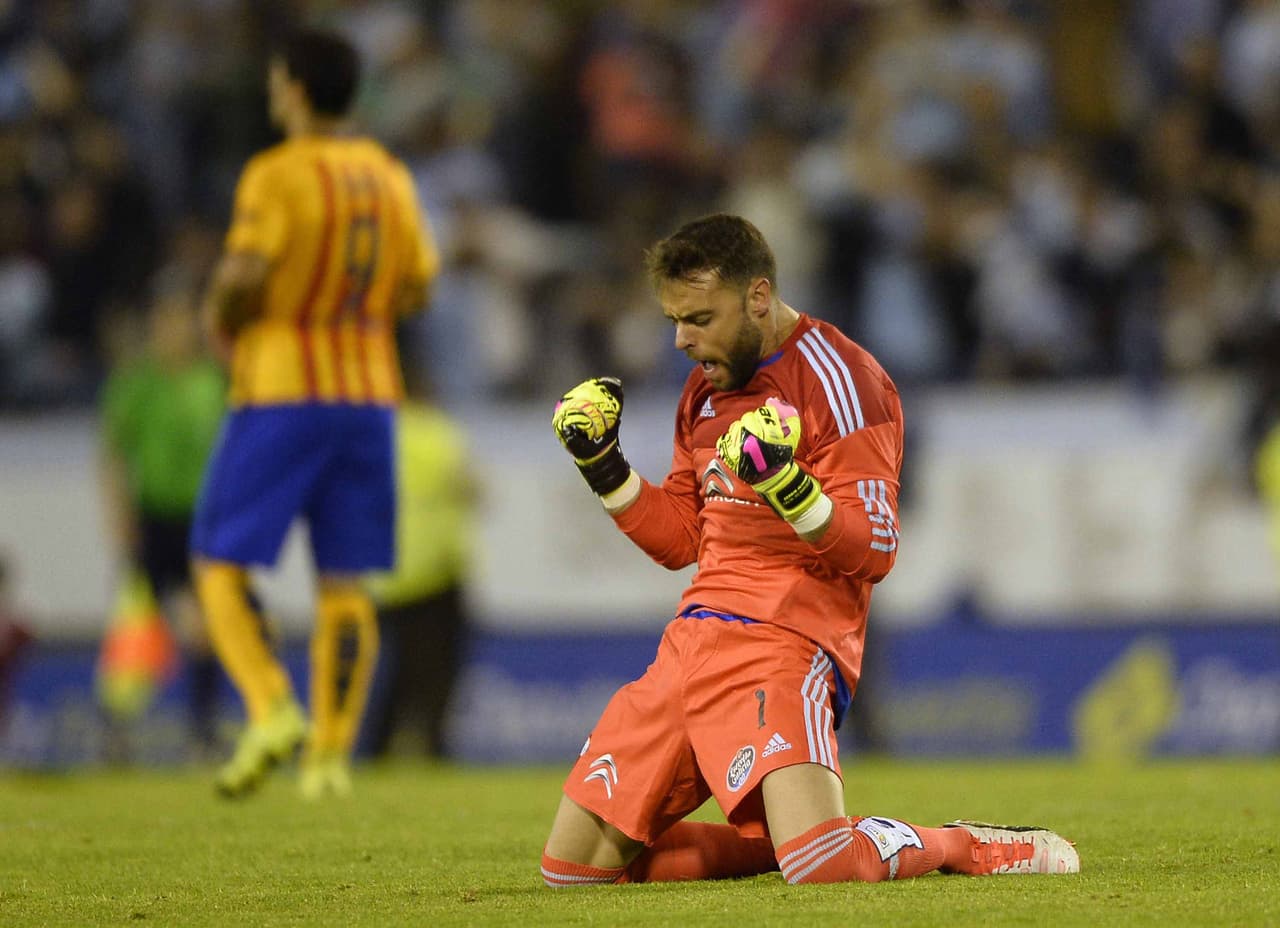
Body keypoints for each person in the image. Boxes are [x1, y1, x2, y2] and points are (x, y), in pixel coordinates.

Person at [541, 214, 1078, 887]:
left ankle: (962, 845)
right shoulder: (705, 388)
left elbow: (876, 547)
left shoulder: (844, 379)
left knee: (823, 868)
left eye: (700, 318)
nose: (682, 340)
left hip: (789, 637)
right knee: (572, 872)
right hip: (694, 640)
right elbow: (683, 537)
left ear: (758, 297)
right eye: (676, 319)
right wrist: (604, 467)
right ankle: (788, 843)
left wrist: (785, 484)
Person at [191, 28, 439, 799]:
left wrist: (223, 317)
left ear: (293, 88)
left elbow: (244, 271)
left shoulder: (276, 174)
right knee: (346, 580)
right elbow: (419, 283)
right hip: (367, 395)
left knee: (218, 561)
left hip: (281, 386)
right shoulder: (389, 177)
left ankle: (269, 708)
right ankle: (328, 760)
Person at [99, 285, 225, 755]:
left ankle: (203, 731)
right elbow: (113, 455)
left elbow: (231, 455)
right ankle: (117, 730)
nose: (174, 330)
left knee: (204, 629)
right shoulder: (137, 383)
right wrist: (119, 515)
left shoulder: (213, 381)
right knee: (136, 629)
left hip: (198, 522)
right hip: (150, 519)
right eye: (165, 320)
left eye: (181, 319)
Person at [358, 365, 476, 760]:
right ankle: (433, 747)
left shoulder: (379, 434)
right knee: (439, 672)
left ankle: (376, 749)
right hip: (437, 571)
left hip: (390, 574)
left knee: (400, 671)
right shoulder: (435, 431)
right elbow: (468, 485)